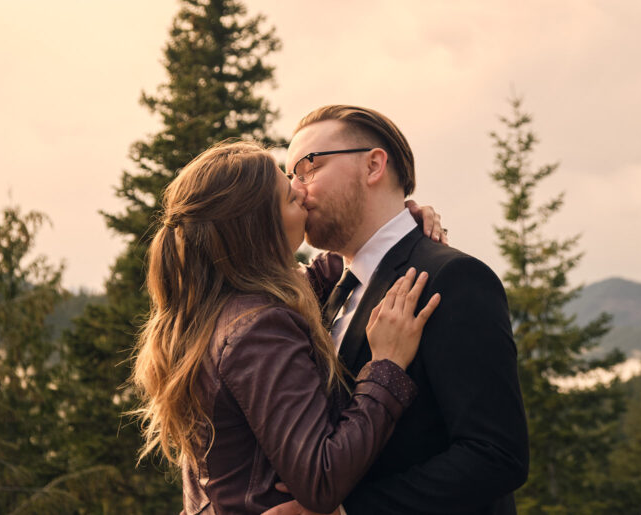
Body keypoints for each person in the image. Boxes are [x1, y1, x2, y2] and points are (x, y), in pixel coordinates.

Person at [128, 140, 442, 514]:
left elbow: (328, 274)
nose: (300, 188)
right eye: (286, 194)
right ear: (258, 229)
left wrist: (396, 220)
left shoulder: (223, 306)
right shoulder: (259, 328)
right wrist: (387, 365)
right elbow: (322, 480)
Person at [269, 105, 529, 515]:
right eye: (289, 178)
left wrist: (347, 510)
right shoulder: (328, 292)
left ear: (373, 165)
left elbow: (495, 455)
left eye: (307, 168)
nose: (297, 189)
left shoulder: (454, 278)